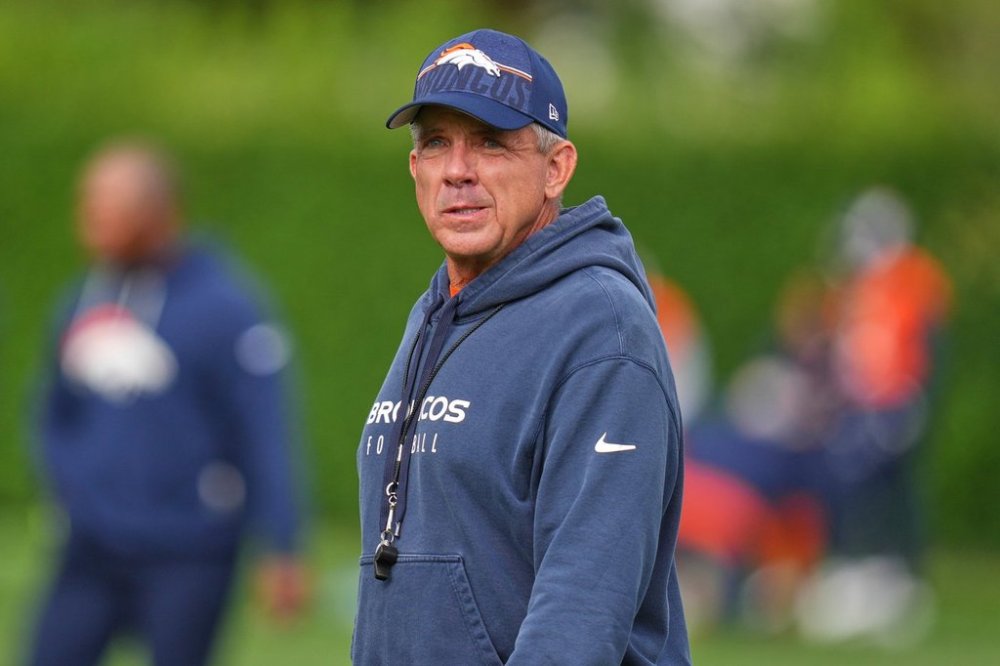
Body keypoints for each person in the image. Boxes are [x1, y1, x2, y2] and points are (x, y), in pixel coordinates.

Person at [354, 29, 690, 664]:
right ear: (415, 168)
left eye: (490, 142)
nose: (458, 170)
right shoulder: (436, 312)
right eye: (436, 143)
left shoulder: (603, 329)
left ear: (556, 168)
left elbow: (582, 608)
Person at [26, 139, 307, 666]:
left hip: (188, 550)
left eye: (104, 208)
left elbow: (264, 430)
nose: (86, 222)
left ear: (157, 212)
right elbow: (51, 412)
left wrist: (282, 544)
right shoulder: (83, 300)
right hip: (91, 545)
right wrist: (74, 486)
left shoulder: (227, 307)